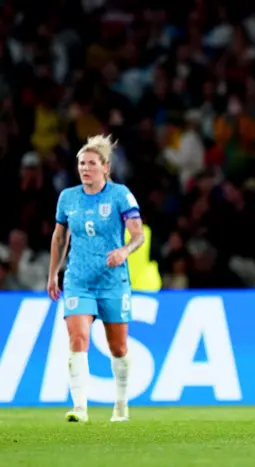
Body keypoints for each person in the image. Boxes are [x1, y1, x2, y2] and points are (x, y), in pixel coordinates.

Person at [47, 134, 145, 423]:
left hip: (113, 282)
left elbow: (138, 234)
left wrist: (124, 251)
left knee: (119, 348)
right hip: (78, 280)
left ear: (106, 167)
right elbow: (60, 236)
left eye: (91, 163)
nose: (85, 168)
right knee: (77, 338)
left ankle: (121, 406)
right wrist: (54, 272)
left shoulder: (120, 195)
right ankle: (79, 407)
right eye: (81, 163)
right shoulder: (68, 197)